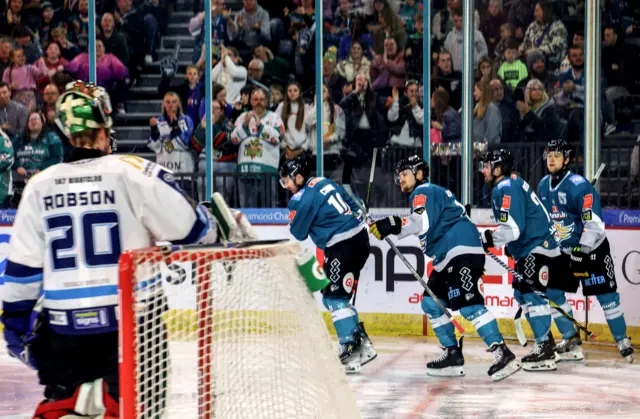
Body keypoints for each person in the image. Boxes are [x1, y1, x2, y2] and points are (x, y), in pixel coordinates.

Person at [0, 81, 255, 418]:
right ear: (105, 129)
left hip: (64, 337)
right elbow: (193, 229)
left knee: (61, 398)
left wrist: (16, 329)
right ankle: (110, 400)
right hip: (133, 334)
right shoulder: (135, 173)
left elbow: (21, 273)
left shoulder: (38, 186)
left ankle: (72, 398)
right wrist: (217, 222)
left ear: (63, 131)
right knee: (138, 410)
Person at [368, 156, 521, 381]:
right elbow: (422, 221)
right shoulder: (428, 193)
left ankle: (502, 353)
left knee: (469, 305)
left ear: (419, 173)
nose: (400, 179)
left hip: (460, 251)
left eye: (404, 174)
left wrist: (389, 224)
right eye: (398, 176)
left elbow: (421, 223)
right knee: (431, 301)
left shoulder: (424, 191)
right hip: (447, 256)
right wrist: (392, 226)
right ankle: (452, 353)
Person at [537, 139, 634, 363]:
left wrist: (583, 248)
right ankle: (571, 339)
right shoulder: (543, 186)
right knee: (552, 292)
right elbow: (544, 221)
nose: (551, 159)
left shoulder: (579, 186)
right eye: (549, 154)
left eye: (557, 155)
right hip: (564, 251)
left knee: (607, 297)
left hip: (592, 251)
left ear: (567, 159)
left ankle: (621, 339)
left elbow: (595, 224)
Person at [279, 156, 376, 373]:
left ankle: (351, 347)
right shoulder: (325, 181)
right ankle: (361, 344)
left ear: (299, 176)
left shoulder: (299, 199)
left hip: (341, 245)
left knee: (334, 296)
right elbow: (356, 205)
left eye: (287, 180)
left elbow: (298, 233)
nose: (286, 186)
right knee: (336, 294)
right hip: (360, 240)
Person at [480, 149, 559, 372]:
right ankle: (547, 343)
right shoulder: (509, 184)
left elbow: (513, 229)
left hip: (538, 246)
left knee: (532, 294)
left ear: (498, 168)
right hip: (530, 247)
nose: (483, 171)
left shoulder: (506, 187)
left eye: (486, 166)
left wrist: (490, 239)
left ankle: (545, 348)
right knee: (522, 292)